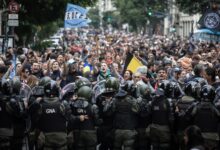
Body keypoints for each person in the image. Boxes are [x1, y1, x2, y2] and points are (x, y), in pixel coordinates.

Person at [29, 78, 71, 150]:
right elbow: (69, 119)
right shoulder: (63, 104)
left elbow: (32, 117)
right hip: (61, 139)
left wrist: (35, 103)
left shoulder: (39, 103)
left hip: (45, 139)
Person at [190, 85, 220, 150]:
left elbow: (189, 119)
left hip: (198, 138)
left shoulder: (196, 106)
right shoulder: (216, 107)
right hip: (213, 138)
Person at [96, 77, 119, 150]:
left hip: (103, 126)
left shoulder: (99, 97)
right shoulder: (119, 97)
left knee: (103, 146)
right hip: (113, 126)